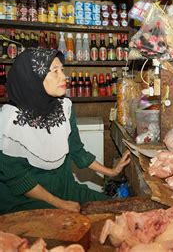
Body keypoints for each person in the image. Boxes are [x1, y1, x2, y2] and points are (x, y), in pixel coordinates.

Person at [0, 48, 131, 214]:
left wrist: (112, 171)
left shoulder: (63, 108)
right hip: (23, 202)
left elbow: (77, 151)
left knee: (120, 210)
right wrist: (61, 204)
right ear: (32, 79)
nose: (63, 76)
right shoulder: (8, 122)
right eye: (54, 71)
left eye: (62, 70)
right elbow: (19, 180)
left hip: (66, 189)